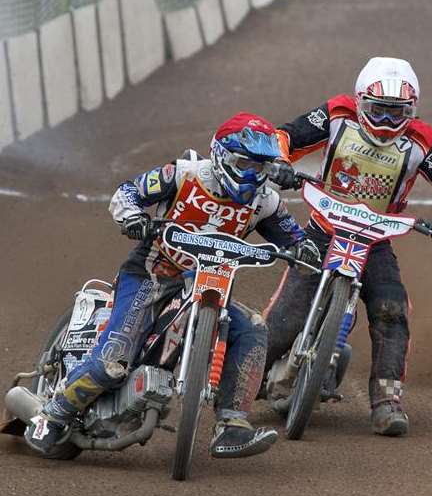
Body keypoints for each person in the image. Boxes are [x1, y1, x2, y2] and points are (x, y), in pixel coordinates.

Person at [25, 112, 316, 458]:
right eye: (245, 163)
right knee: (113, 359)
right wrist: (133, 218)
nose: (253, 175)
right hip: (153, 273)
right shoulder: (184, 174)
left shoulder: (265, 201)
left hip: (211, 284)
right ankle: (52, 416)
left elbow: (295, 237)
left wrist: (304, 248)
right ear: (221, 154)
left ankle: (232, 424)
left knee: (253, 329)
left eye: (261, 167)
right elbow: (128, 192)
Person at [265, 56, 432, 436]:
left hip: (375, 240)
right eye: (377, 111)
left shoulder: (422, 141)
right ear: (359, 101)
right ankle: (237, 385)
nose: (386, 123)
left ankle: (386, 401)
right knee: (284, 320)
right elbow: (281, 136)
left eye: (396, 113)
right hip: (323, 227)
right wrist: (280, 163)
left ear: (411, 111)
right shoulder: (336, 114)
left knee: (392, 308)